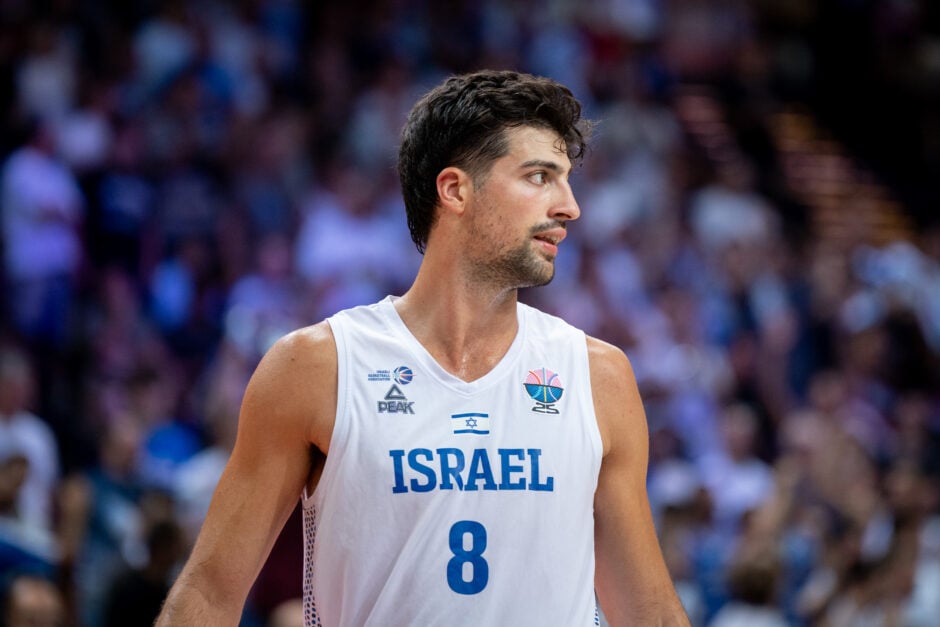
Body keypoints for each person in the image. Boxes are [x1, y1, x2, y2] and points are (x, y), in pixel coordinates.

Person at [156, 69, 690, 626]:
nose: (569, 207)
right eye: (539, 177)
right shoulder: (317, 366)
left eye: (567, 181)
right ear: (455, 189)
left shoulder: (597, 375)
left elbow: (649, 611)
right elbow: (209, 596)